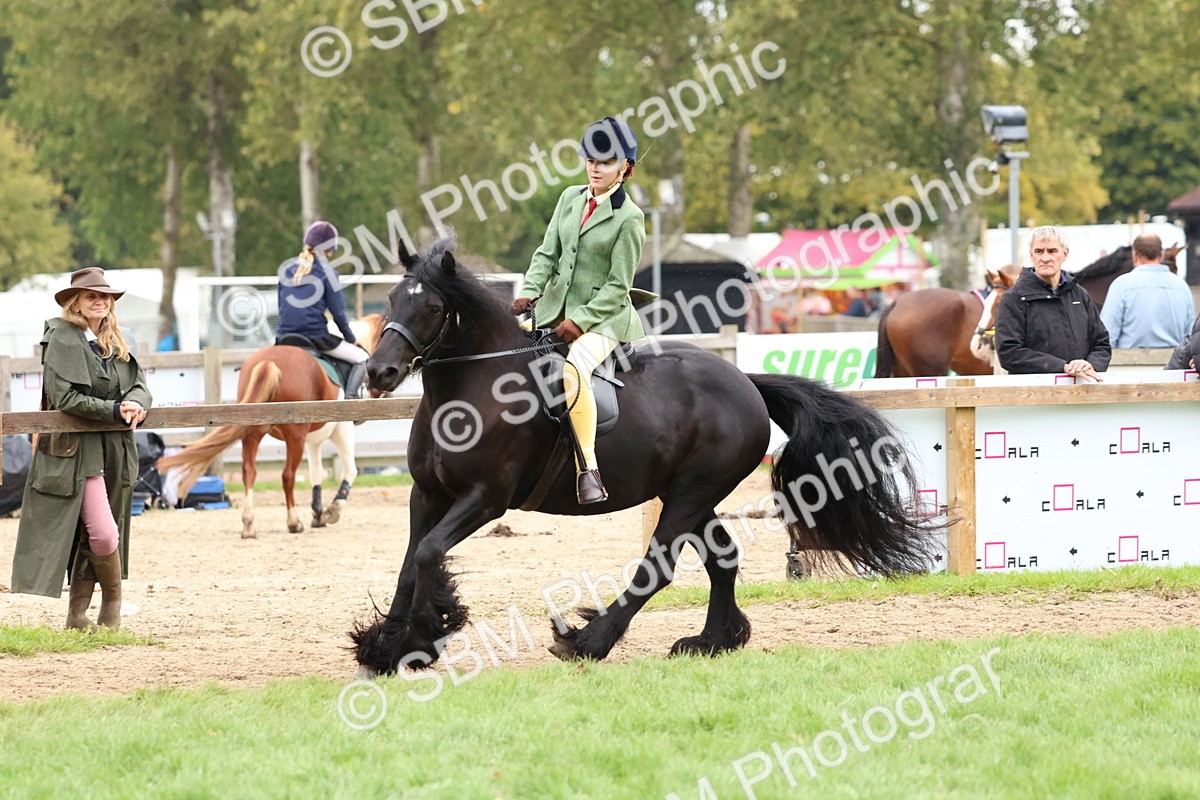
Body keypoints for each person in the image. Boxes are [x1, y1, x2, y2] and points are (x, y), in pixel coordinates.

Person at [511, 116, 651, 504]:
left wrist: (581, 321)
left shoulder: (630, 218)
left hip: (605, 318)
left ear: (625, 167)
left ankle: (588, 469)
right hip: (557, 310)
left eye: (605, 162)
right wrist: (529, 292)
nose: (594, 167)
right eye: (590, 159)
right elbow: (546, 254)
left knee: (572, 371)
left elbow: (617, 286)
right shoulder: (569, 198)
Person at [10, 268, 152, 630]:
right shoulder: (62, 335)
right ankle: (113, 605)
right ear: (75, 301)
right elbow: (66, 397)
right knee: (104, 532)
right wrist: (115, 410)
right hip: (74, 451)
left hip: (114, 449)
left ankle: (79, 616)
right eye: (92, 295)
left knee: (100, 532)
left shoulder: (116, 338)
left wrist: (135, 402)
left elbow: (139, 385)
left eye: (105, 296)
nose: (101, 301)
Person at [995, 225, 1111, 380]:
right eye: (1038, 251)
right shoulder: (1013, 299)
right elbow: (1008, 353)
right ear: (1031, 255)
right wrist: (1062, 367)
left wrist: (1090, 364)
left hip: (1081, 392)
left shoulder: (1080, 295)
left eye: (1052, 251)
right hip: (1034, 395)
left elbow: (1101, 344)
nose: (1045, 258)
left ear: (1065, 254)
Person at [276, 220, 368, 398]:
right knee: (362, 358)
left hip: (284, 336)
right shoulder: (328, 273)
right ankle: (350, 400)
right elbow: (339, 313)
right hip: (315, 337)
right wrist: (350, 338)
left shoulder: (286, 269)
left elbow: (282, 307)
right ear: (330, 249)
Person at [1099, 234, 1194, 349]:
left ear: (1134, 255)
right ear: (1161, 255)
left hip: (1129, 363)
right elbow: (1190, 335)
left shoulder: (1122, 285)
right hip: (1174, 363)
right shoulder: (1182, 286)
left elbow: (1107, 335)